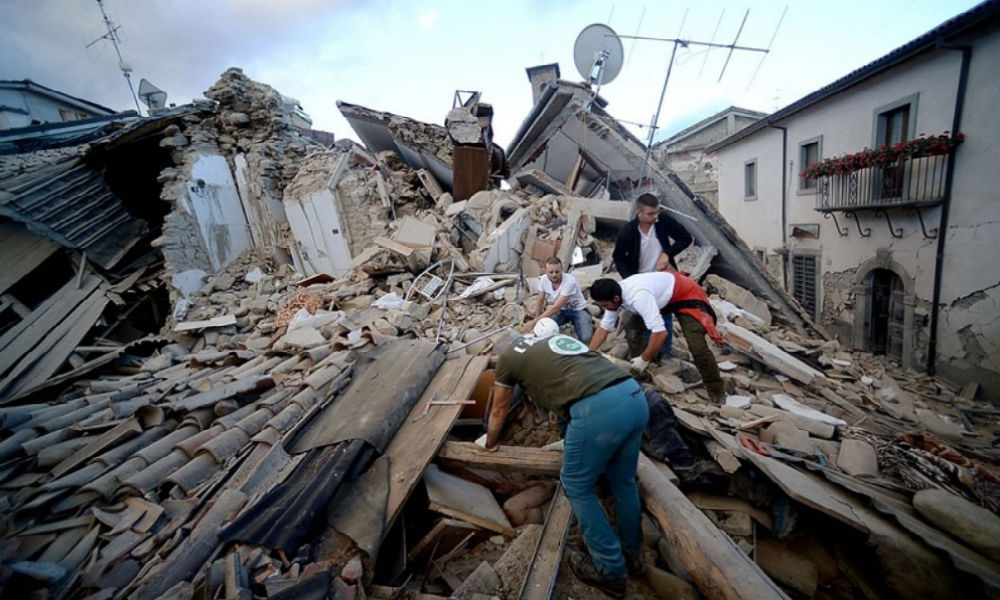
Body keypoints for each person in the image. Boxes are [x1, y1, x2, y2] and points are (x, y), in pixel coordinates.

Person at [483, 324, 647, 598]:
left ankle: (610, 570)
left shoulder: (509, 358)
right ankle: (633, 553)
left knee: (576, 484)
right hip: (633, 395)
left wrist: (489, 443)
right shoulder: (555, 339)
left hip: (597, 410)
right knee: (623, 481)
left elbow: (499, 408)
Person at [588, 272, 726, 404]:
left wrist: (644, 359)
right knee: (633, 331)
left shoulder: (638, 298)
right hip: (661, 296)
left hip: (686, 294)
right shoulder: (615, 295)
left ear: (616, 298)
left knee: (697, 347)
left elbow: (660, 333)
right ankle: (639, 374)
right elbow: (604, 327)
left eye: (605, 305)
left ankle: (716, 391)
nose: (604, 309)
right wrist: (588, 353)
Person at [611, 193, 693, 357]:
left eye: (656, 212)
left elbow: (685, 238)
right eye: (650, 214)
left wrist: (667, 254)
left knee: (665, 314)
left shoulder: (663, 222)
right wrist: (630, 280)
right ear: (639, 213)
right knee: (642, 317)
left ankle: (664, 352)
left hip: (662, 279)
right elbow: (618, 257)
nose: (655, 217)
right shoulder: (628, 231)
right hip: (639, 281)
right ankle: (645, 352)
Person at [524, 257, 593, 343]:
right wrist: (537, 318)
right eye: (551, 272)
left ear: (562, 269)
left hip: (578, 309)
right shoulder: (543, 280)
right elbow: (540, 299)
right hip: (562, 311)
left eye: (557, 272)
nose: (554, 275)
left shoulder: (570, 281)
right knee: (543, 329)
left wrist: (534, 321)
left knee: (586, 337)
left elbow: (556, 307)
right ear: (545, 270)